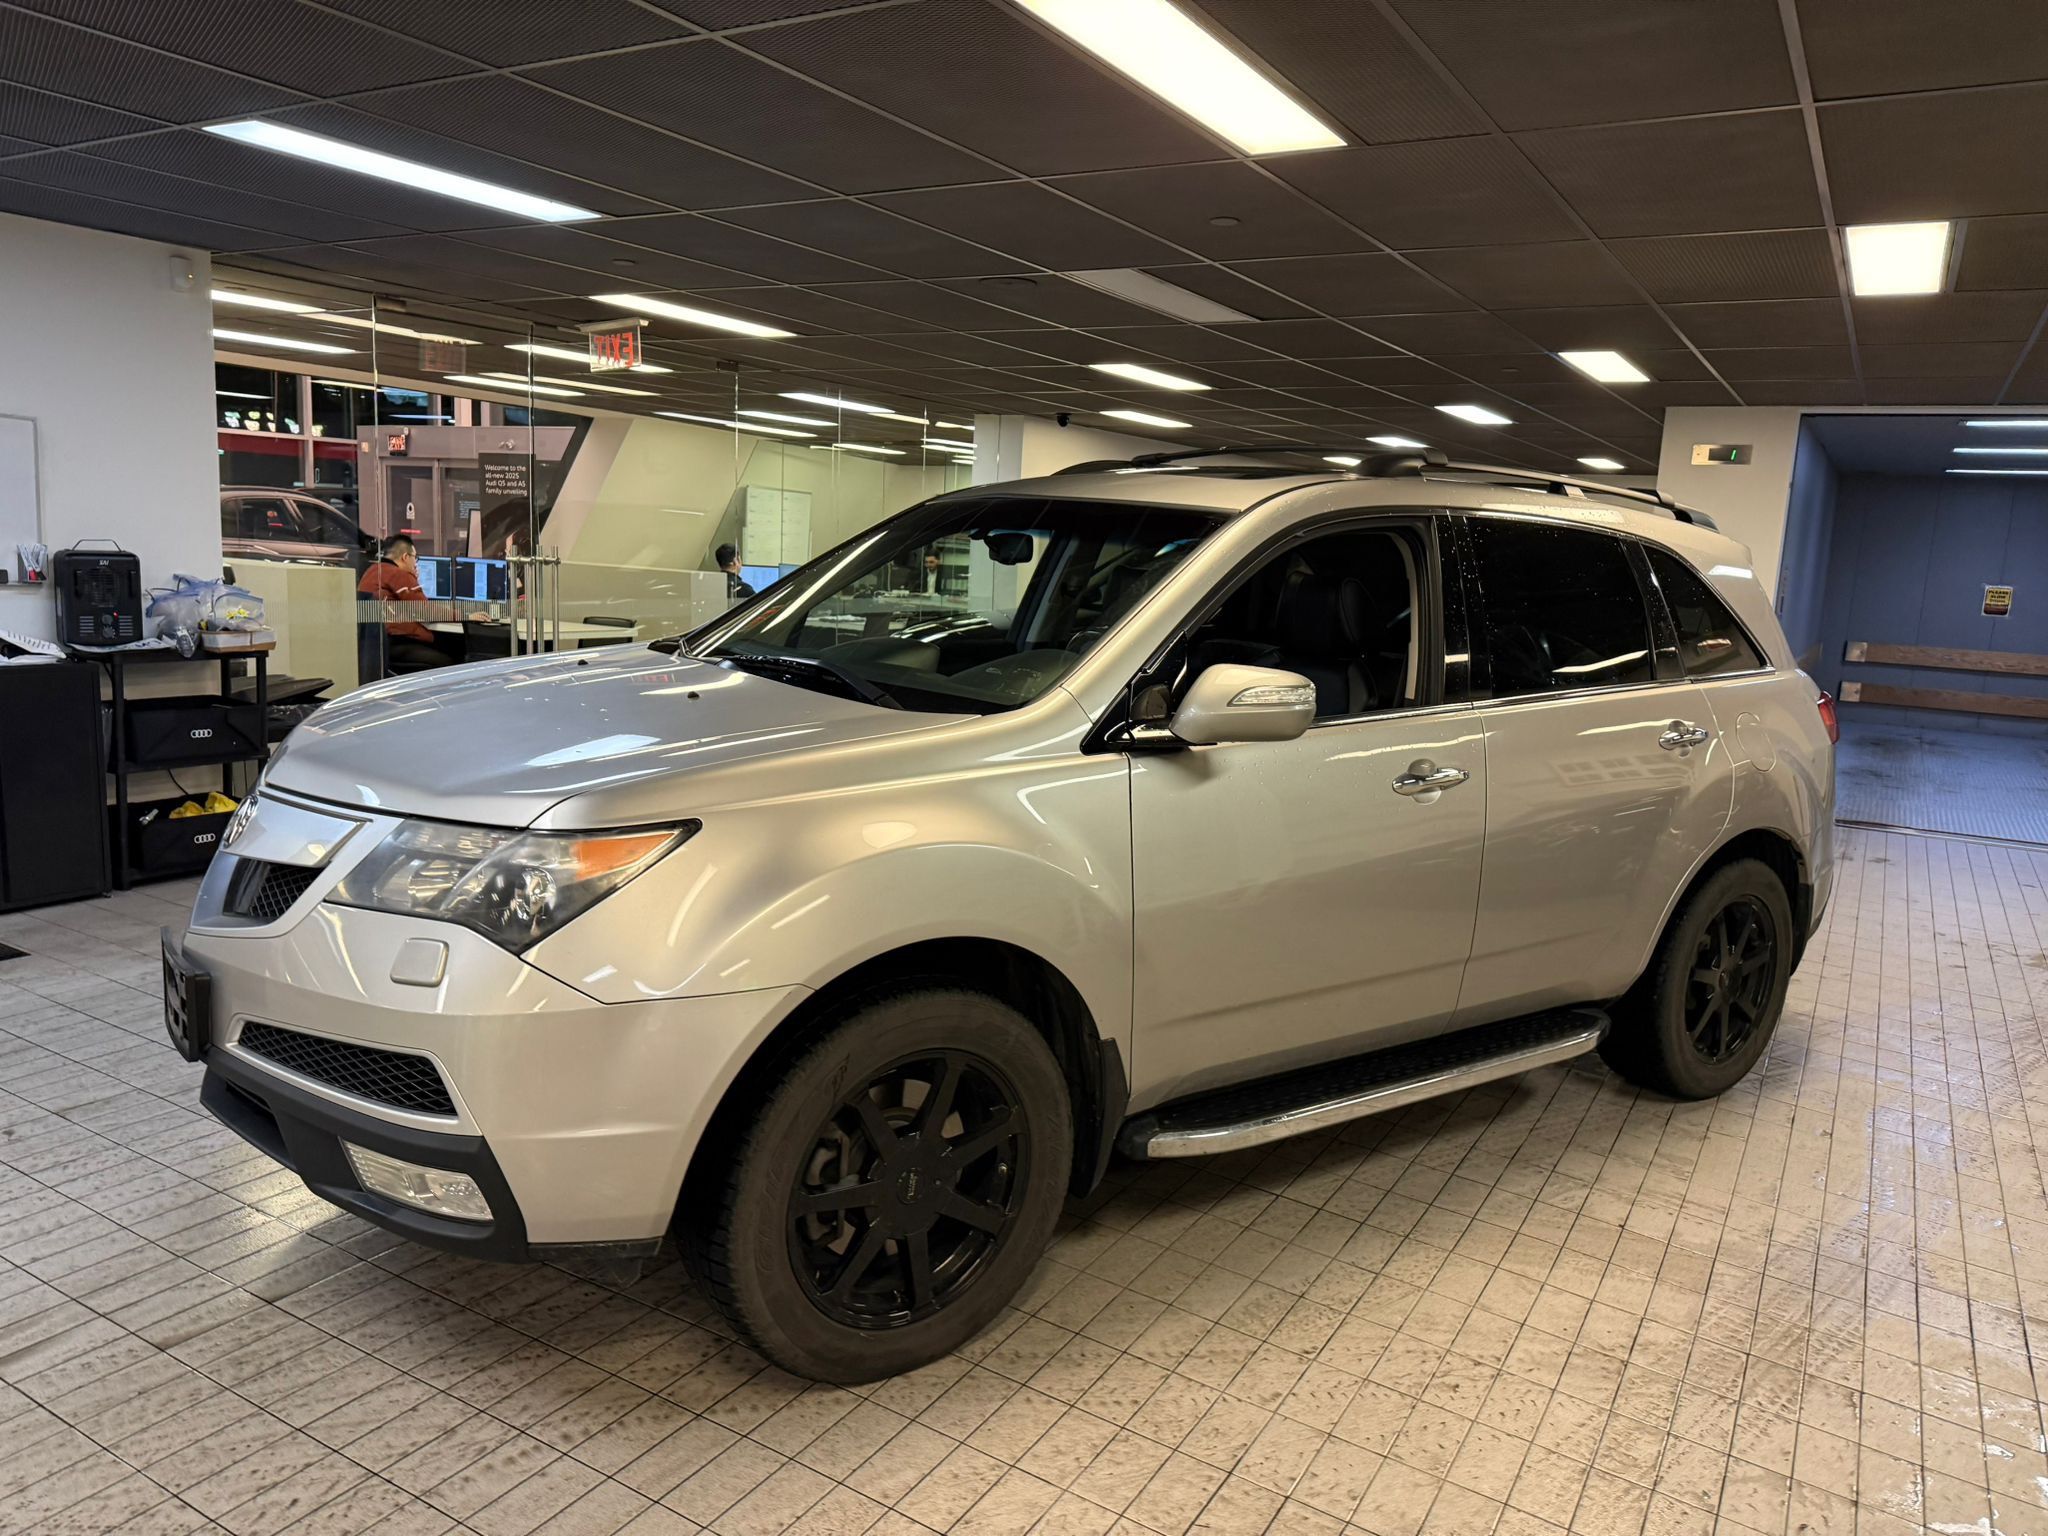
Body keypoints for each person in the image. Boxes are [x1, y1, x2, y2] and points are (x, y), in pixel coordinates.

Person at [358, 534, 462, 669]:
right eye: (415, 558)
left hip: (375, 647)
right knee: (453, 656)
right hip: (396, 643)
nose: (415, 563)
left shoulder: (372, 571)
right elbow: (425, 611)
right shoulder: (398, 574)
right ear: (405, 557)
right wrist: (463, 615)